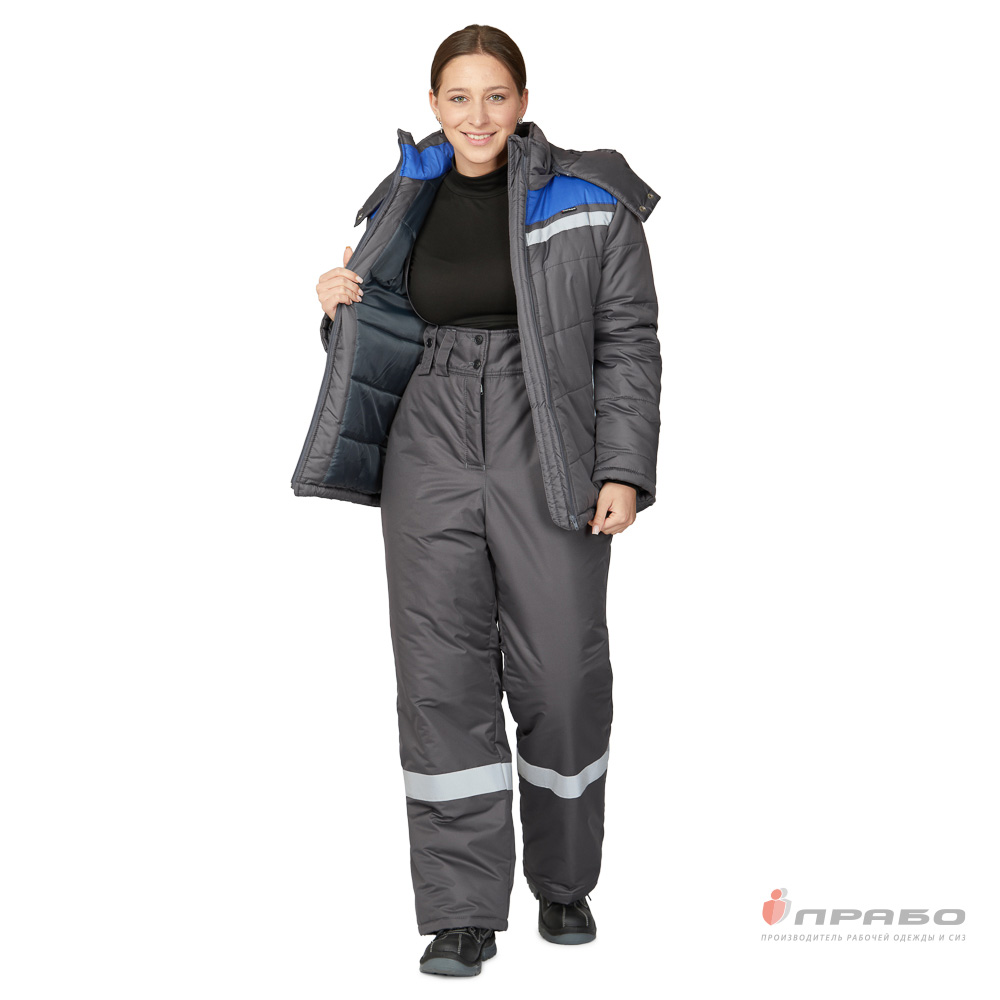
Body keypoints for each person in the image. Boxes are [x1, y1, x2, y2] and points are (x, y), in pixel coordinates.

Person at [291, 23, 662, 977]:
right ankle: (461, 913)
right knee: (440, 674)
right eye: (458, 98)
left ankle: (565, 882)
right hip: (431, 434)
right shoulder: (401, 194)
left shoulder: (590, 198)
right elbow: (378, 329)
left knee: (563, 673)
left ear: (524, 103)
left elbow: (628, 341)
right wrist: (334, 306)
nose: (477, 116)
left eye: (495, 96)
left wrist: (623, 469)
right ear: (433, 106)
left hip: (552, 437)